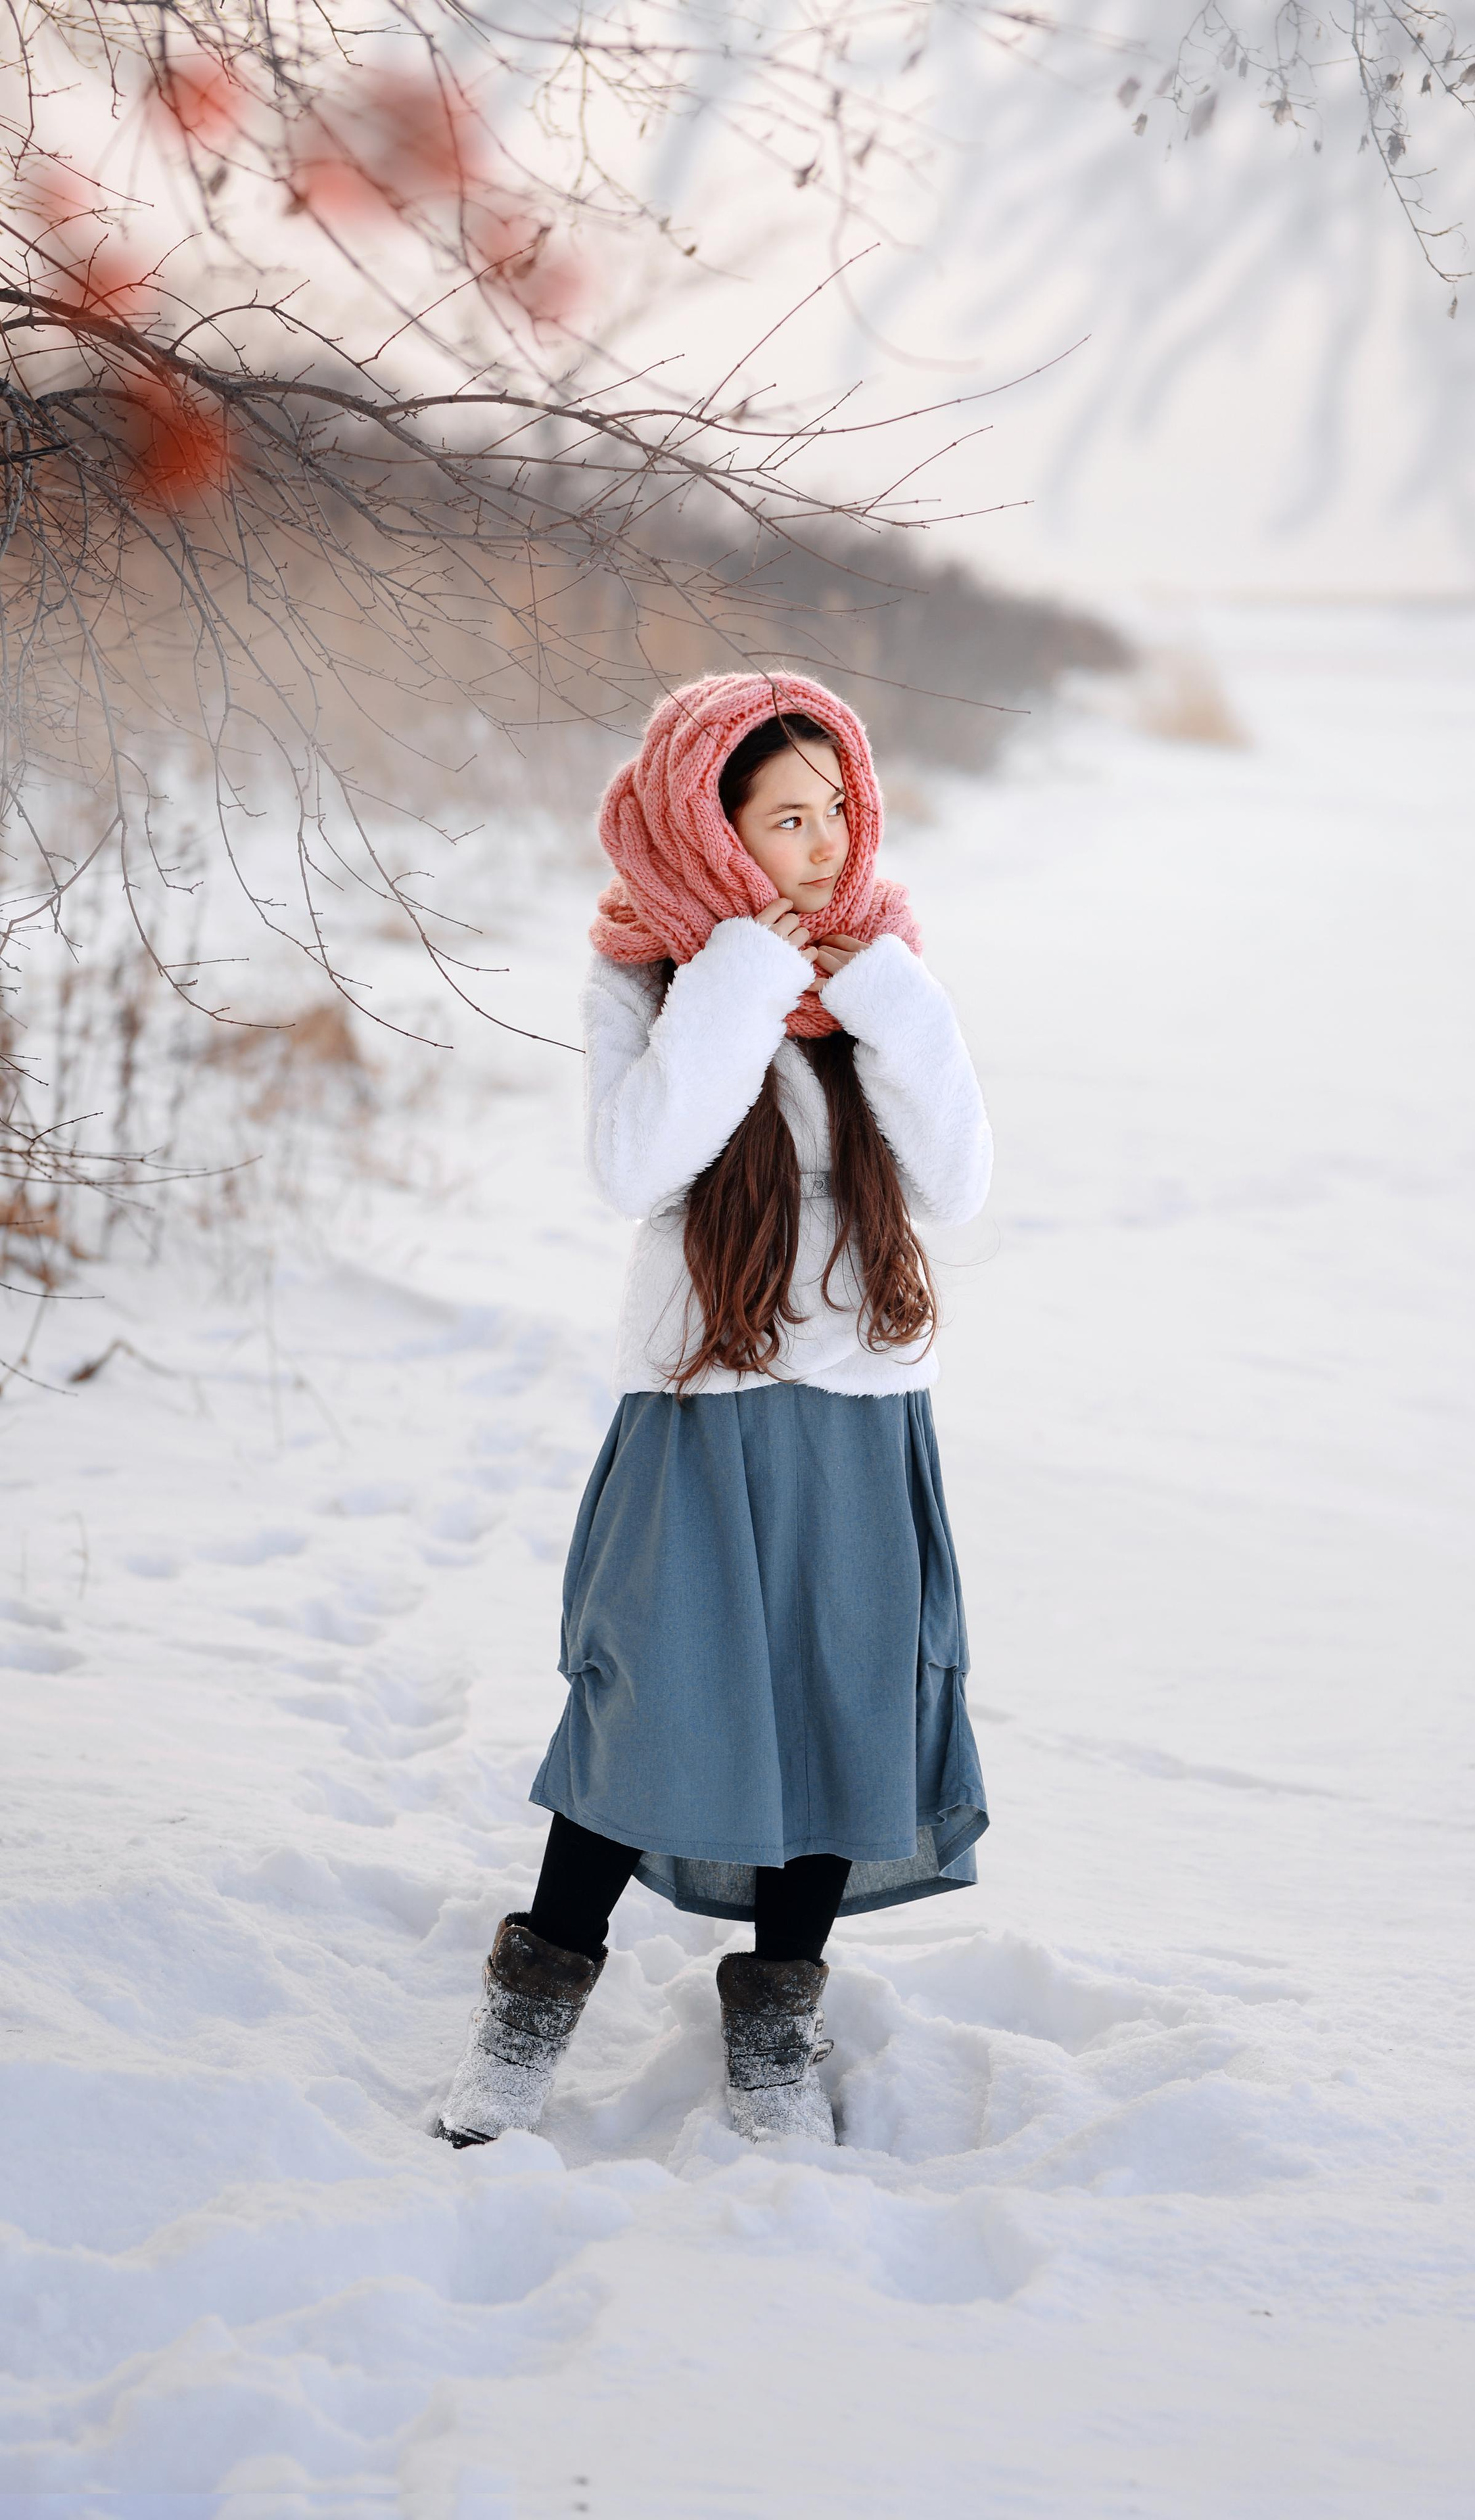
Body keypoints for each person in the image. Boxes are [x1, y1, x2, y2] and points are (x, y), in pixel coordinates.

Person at [436, 671, 992, 2150]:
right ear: (715, 827)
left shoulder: (885, 967)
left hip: (859, 1401)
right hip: (703, 1393)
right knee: (649, 1696)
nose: (823, 851)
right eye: (786, 822)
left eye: (836, 815)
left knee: (841, 1703)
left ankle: (775, 2031)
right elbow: (639, 1169)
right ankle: (525, 2022)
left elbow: (958, 1180)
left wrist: (877, 994)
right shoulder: (647, 967)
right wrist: (740, 974)